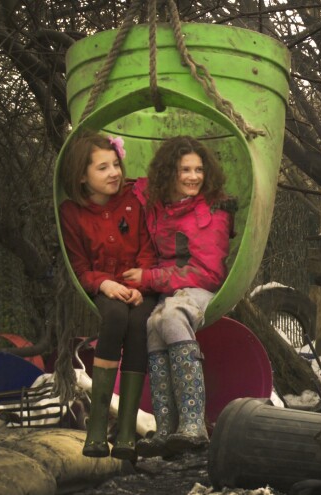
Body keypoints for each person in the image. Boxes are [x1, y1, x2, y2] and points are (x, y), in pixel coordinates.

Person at [122, 136, 235, 456]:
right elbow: (137, 188)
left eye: (199, 170)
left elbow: (209, 273)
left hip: (198, 288)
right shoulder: (158, 204)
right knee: (153, 324)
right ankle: (166, 428)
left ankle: (193, 424)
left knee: (170, 316)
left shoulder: (211, 210)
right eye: (185, 169)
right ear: (168, 173)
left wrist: (148, 277)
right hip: (169, 291)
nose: (193, 177)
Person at [59, 132, 158, 461]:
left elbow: (148, 247)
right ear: (82, 177)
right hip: (105, 287)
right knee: (115, 317)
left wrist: (140, 284)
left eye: (116, 164)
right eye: (103, 168)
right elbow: (80, 268)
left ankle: (127, 430)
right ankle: (98, 427)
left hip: (141, 285)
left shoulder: (134, 200)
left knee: (140, 322)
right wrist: (104, 284)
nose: (114, 172)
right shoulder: (72, 213)